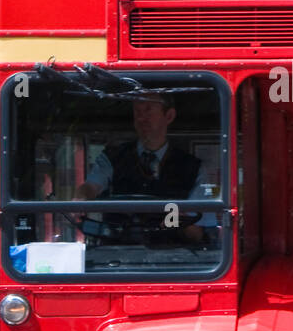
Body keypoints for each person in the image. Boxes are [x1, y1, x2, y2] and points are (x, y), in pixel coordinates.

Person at [76, 95, 209, 243]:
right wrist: (82, 198)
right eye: (137, 112)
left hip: (173, 257)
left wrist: (175, 219)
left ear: (169, 116)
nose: (141, 118)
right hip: (115, 255)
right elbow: (91, 186)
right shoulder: (112, 157)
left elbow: (196, 232)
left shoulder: (193, 167)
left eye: (148, 110)